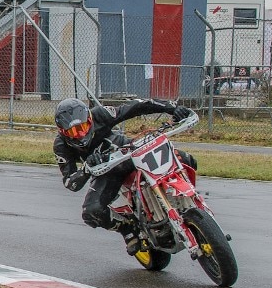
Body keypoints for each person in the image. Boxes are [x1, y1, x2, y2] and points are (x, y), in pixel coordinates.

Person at [54, 97, 197, 253]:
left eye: (83, 127)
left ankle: (189, 200)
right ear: (63, 132)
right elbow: (70, 182)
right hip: (107, 172)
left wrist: (171, 108)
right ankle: (128, 230)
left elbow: (135, 107)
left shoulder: (100, 114)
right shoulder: (60, 146)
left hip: (128, 151)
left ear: (89, 119)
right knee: (91, 212)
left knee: (186, 159)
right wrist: (86, 168)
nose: (81, 134)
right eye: (73, 131)